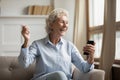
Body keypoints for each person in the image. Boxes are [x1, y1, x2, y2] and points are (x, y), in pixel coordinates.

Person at [18, 8, 95, 80]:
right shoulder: (37, 45)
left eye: (67, 23)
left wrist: (91, 57)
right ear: (51, 24)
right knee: (59, 75)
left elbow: (84, 68)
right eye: (62, 22)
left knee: (61, 76)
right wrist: (26, 41)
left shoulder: (70, 46)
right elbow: (24, 64)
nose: (65, 26)